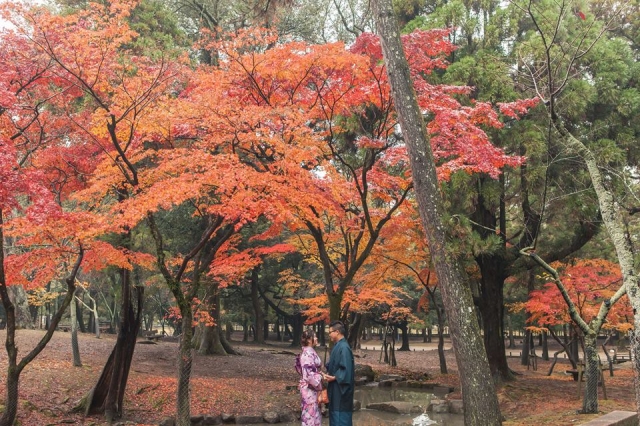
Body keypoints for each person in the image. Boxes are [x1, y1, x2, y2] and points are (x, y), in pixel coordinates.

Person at [322, 321, 354, 426]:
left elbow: (346, 369)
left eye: (330, 332)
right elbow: (334, 364)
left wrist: (335, 377)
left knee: (341, 419)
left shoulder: (344, 348)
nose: (329, 334)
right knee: (335, 417)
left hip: (341, 390)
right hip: (335, 389)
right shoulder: (338, 346)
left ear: (337, 332)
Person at [295, 328, 323, 426]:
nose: (316, 338)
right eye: (314, 336)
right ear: (308, 340)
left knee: (315, 415)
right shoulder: (307, 354)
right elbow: (309, 375)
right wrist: (321, 376)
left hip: (313, 389)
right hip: (309, 389)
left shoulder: (310, 352)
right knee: (310, 416)